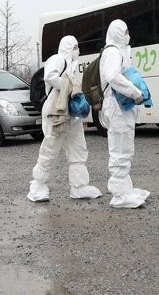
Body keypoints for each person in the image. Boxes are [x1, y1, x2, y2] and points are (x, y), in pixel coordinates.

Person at [27, 36, 103, 201]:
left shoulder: (72, 65)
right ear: (67, 47)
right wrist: (69, 86)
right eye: (74, 46)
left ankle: (79, 187)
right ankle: (37, 186)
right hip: (56, 113)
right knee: (50, 150)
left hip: (70, 114)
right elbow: (49, 77)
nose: (77, 49)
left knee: (78, 149)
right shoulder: (58, 59)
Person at [100, 19, 150, 208]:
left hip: (120, 107)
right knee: (120, 148)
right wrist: (134, 92)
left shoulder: (115, 51)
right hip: (117, 107)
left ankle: (124, 188)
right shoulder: (113, 52)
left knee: (124, 146)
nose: (128, 34)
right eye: (125, 31)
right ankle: (119, 194)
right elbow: (112, 76)